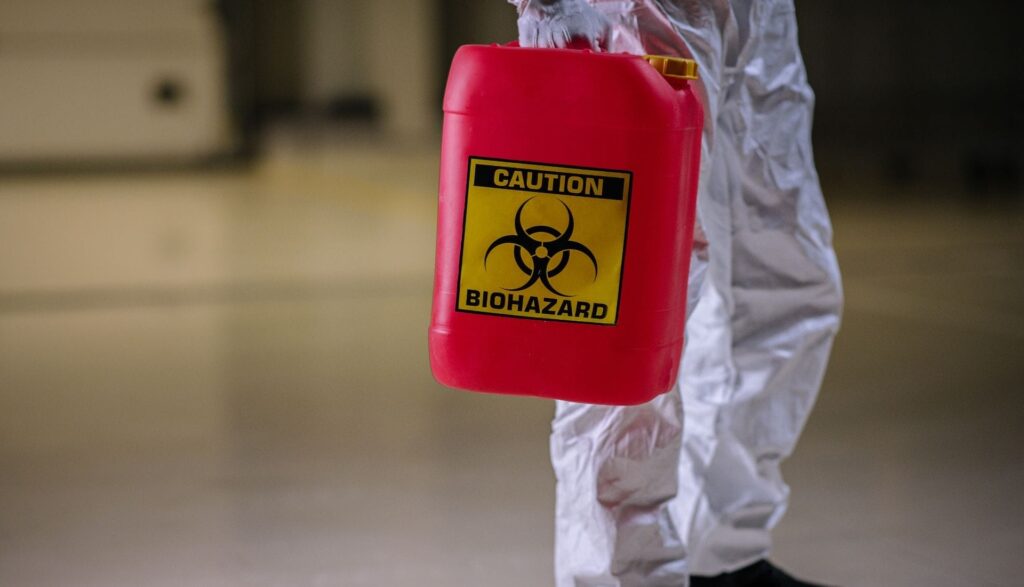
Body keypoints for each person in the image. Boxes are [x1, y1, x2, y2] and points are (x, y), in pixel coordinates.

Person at [505, 1, 844, 585]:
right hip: (630, 9)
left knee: (780, 277)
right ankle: (619, 577)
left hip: (751, 11)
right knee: (622, 332)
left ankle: (722, 553)